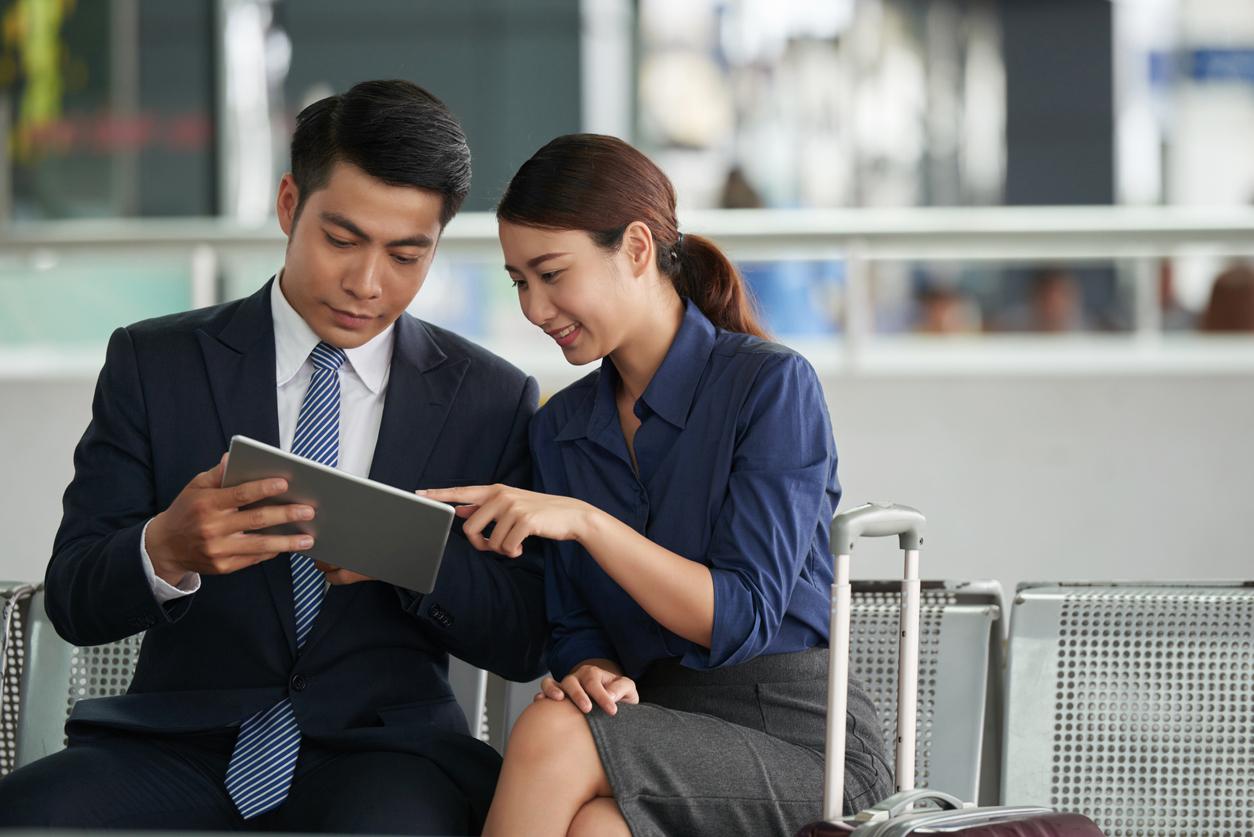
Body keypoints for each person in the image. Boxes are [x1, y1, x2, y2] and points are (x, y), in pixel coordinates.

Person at [0, 80, 547, 834]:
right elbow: (72, 596)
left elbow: (522, 636)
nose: (367, 283)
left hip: (388, 759)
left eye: (406, 254)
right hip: (175, 747)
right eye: (343, 239)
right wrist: (165, 548)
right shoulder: (155, 362)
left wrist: (414, 561)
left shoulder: (491, 396)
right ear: (290, 204)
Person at [423, 134, 892, 837]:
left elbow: (739, 615)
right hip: (659, 725)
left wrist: (586, 520)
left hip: (803, 745)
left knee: (555, 733)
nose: (534, 306)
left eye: (552, 273)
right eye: (520, 280)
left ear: (637, 248)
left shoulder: (769, 386)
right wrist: (591, 666)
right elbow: (573, 621)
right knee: (596, 829)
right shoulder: (562, 427)